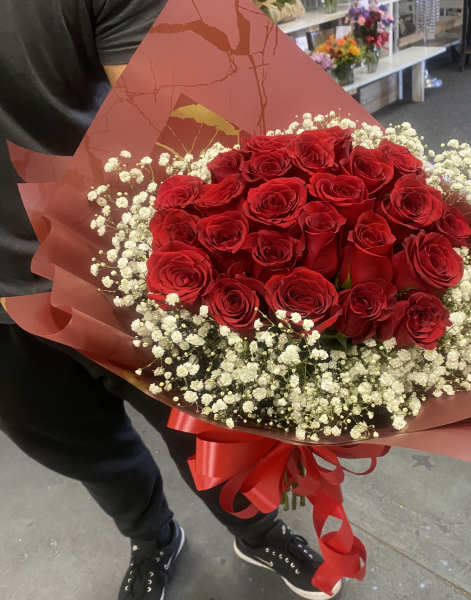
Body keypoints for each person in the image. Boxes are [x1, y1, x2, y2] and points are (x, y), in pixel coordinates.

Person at [0, 2, 342, 599]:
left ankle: (257, 530)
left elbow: (182, 122)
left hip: (112, 263)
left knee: (208, 433)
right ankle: (153, 537)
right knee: (82, 450)